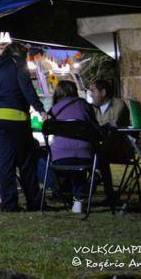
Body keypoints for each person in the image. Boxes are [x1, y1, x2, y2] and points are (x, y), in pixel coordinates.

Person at [0, 42, 47, 212]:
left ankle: (9, 204)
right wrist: (40, 109)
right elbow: (26, 88)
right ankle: (34, 202)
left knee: (6, 161)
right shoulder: (18, 63)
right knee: (26, 161)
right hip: (15, 116)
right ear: (20, 53)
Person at [48, 80, 100, 214]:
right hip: (84, 155)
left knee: (41, 159)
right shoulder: (85, 105)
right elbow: (95, 129)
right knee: (79, 165)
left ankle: (60, 191)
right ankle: (78, 199)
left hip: (59, 157)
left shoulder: (53, 110)